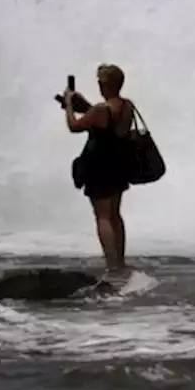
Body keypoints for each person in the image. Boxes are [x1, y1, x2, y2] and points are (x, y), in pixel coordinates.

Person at [65, 63, 135, 275]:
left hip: (99, 166)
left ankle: (111, 265)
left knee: (102, 216)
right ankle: (120, 261)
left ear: (104, 84)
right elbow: (103, 119)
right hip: (119, 163)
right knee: (115, 214)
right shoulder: (127, 106)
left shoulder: (101, 110)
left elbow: (74, 126)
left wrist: (69, 105)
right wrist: (85, 105)